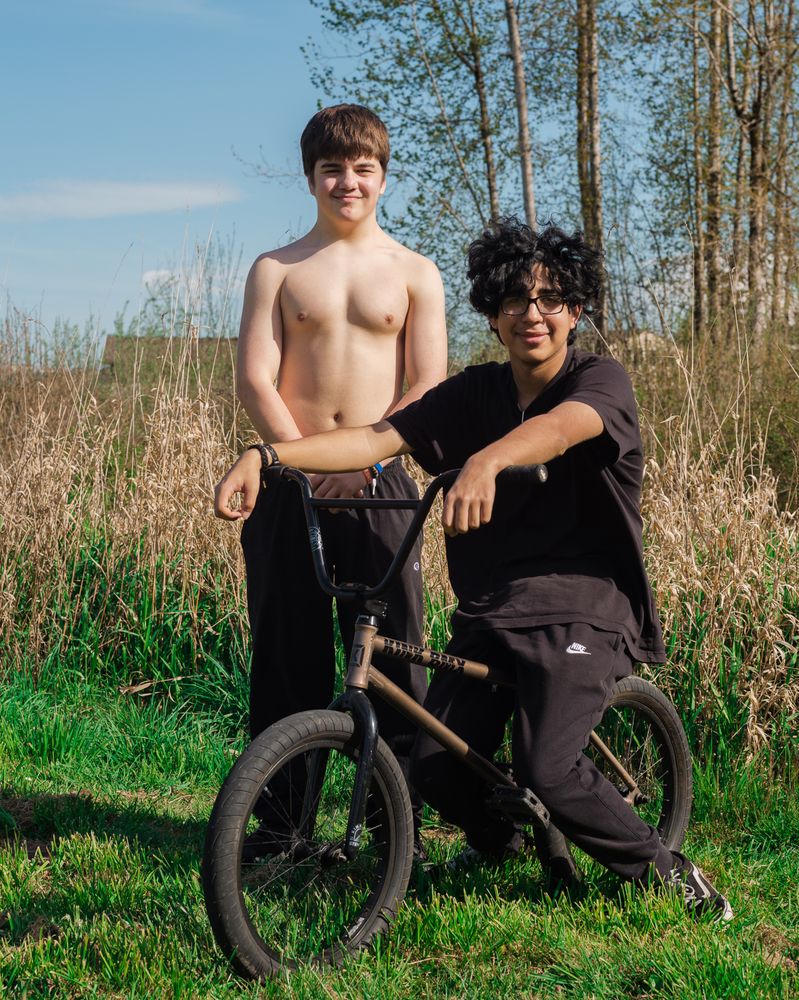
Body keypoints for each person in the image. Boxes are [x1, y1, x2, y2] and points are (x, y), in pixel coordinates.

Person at [216, 217, 732, 921]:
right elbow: (374, 437)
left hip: (585, 603)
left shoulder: (599, 379)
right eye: (515, 301)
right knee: (430, 766)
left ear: (575, 311)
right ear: (492, 315)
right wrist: (268, 457)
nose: (534, 314)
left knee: (546, 765)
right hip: (495, 606)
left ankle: (669, 872)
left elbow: (563, 427)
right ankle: (513, 839)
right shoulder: (473, 395)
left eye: (552, 299)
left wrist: (488, 459)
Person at [234, 104, 447, 853]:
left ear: (383, 178)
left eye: (362, 170)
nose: (346, 182)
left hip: (385, 485)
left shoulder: (417, 273)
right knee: (287, 653)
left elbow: (426, 383)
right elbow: (256, 378)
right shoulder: (277, 268)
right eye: (332, 169)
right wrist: (298, 459)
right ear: (310, 177)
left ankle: (399, 825)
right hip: (290, 485)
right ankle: (282, 824)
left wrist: (369, 459)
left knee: (392, 653)